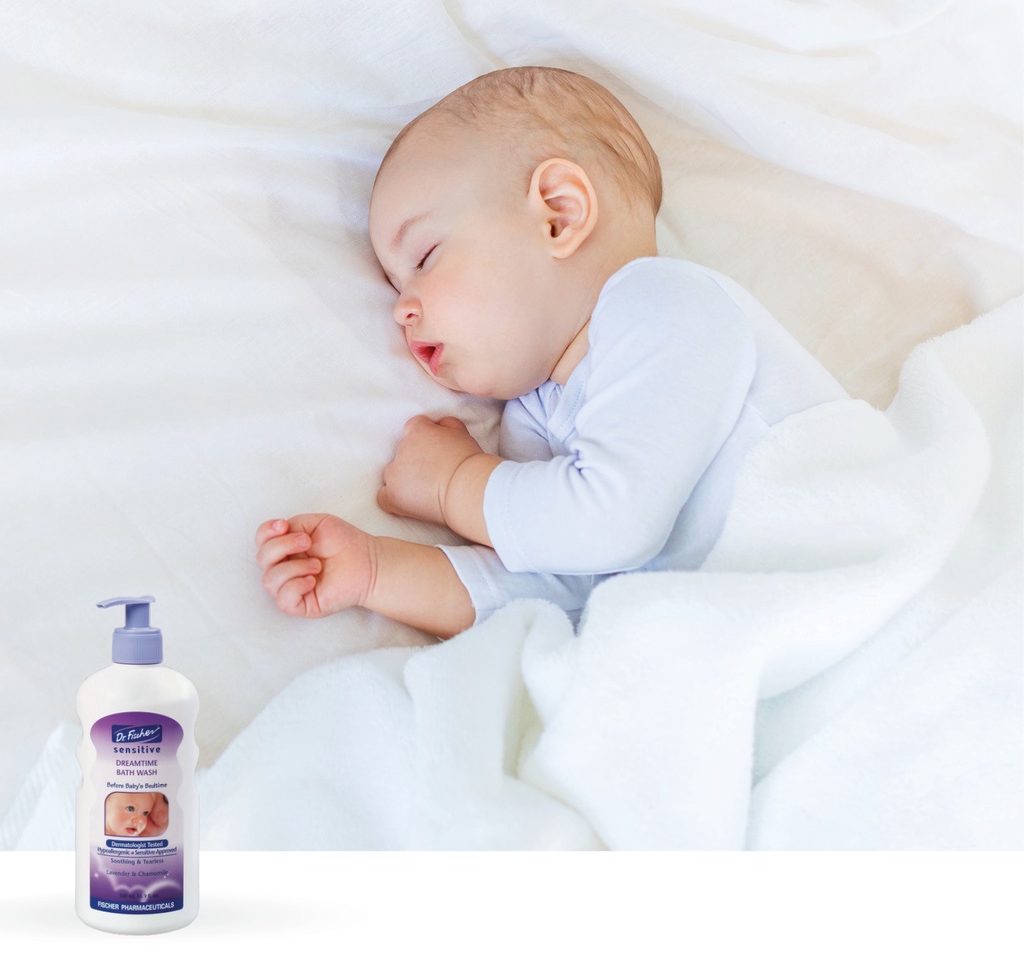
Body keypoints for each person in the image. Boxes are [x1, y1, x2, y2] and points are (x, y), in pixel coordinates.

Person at [256, 66, 845, 638]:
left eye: (426, 258)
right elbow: (561, 595)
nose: (402, 309)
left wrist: (455, 485)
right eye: (394, 286)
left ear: (559, 215)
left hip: (835, 576)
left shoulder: (668, 302)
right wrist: (376, 572)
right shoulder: (536, 414)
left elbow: (612, 521)